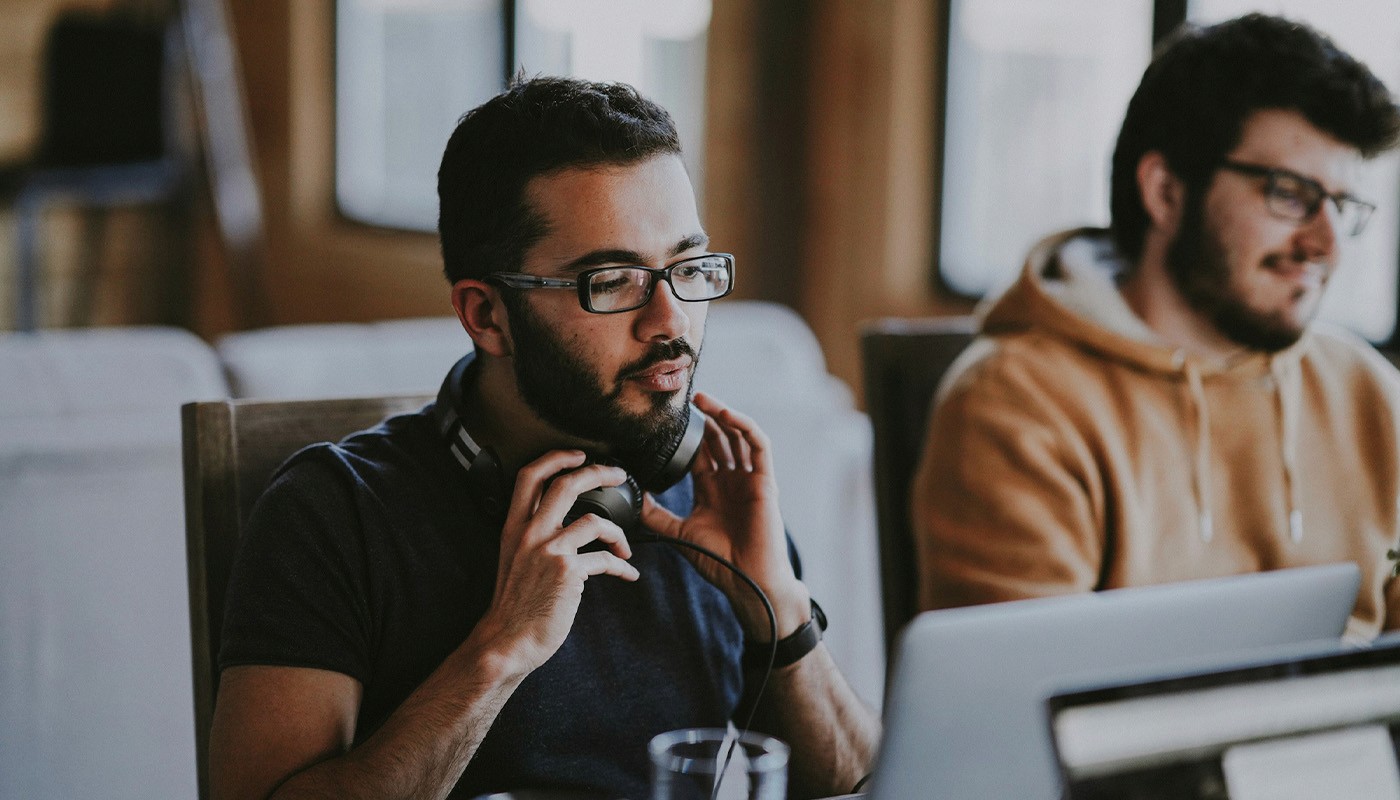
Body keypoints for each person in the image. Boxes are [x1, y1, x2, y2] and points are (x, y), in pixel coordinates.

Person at [208, 76, 879, 800]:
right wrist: (499, 652)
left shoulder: (711, 489)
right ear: (487, 315)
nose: (671, 321)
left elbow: (856, 776)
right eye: (613, 280)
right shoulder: (335, 513)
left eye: (688, 269)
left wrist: (778, 611)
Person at [912, 14, 1400, 638]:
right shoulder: (1017, 406)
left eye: (1342, 205)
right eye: (1289, 193)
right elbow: (1022, 715)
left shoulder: (1368, 393)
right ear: (1166, 191)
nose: (1326, 243)